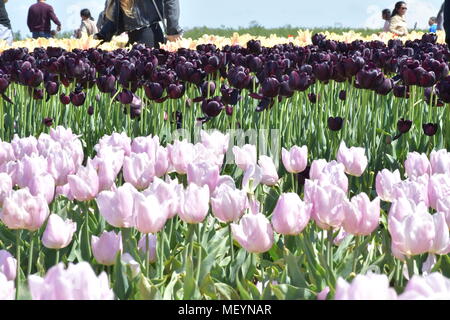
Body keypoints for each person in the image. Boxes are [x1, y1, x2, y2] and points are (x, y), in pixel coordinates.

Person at [96, 0, 183, 48]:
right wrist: (99, 38)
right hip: (132, 37)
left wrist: (173, 30)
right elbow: (113, 20)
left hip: (149, 34)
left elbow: (171, 1)